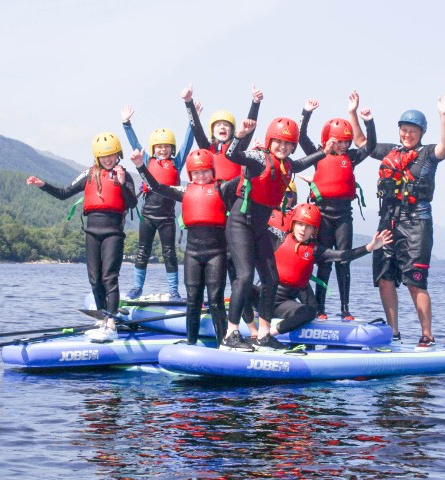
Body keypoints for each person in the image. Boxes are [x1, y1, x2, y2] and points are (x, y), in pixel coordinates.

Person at [221, 117, 337, 351]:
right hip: (240, 223)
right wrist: (240, 136)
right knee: (244, 277)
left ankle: (264, 334)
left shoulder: (287, 165)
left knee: (271, 279)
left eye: (288, 143)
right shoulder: (258, 158)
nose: (282, 147)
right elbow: (233, 156)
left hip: (259, 228)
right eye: (278, 142)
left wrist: (324, 152)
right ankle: (230, 334)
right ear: (270, 141)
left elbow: (302, 163)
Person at [26, 132, 138, 340]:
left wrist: (122, 183)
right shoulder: (88, 174)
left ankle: (112, 321)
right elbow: (63, 193)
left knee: (109, 277)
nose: (108, 159)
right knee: (94, 279)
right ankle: (102, 317)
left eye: (112, 155)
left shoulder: (124, 174)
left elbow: (132, 203)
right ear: (97, 157)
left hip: (113, 233)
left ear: (118, 154)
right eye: (104, 156)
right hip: (92, 232)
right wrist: (43, 185)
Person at [368, 90, 445, 349]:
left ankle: (427, 334)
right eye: (403, 130)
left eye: (412, 131)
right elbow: (363, 143)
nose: (407, 134)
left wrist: (443, 115)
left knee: (415, 282)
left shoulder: (428, 154)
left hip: (417, 223)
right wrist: (355, 114)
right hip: (389, 221)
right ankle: (393, 332)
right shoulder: (389, 151)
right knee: (384, 277)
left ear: (421, 133)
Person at [129, 148, 239, 346]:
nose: (201, 175)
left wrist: (252, 154)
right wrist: (140, 166)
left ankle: (224, 341)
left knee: (215, 299)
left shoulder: (222, 189)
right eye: (196, 172)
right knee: (192, 299)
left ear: (213, 171)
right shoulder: (185, 190)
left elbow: (244, 177)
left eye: (205, 171)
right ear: (190, 175)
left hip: (217, 253)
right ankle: (191, 342)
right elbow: (156, 186)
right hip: (193, 253)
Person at [180, 83, 263, 338]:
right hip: (213, 217)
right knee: (223, 276)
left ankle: (249, 327)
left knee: (238, 275)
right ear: (213, 131)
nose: (223, 128)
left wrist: (255, 103)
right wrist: (189, 104)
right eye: (218, 126)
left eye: (227, 125)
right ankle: (234, 328)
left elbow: (248, 128)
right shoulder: (207, 150)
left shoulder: (238, 149)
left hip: (234, 214)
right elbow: (196, 130)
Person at [250, 203, 392, 350]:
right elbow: (255, 226)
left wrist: (370, 247)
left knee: (310, 311)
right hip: (263, 299)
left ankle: (269, 334)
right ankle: (250, 331)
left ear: (314, 230)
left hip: (284, 304)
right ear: (293, 224)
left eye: (308, 226)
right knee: (243, 286)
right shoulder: (279, 238)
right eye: (299, 224)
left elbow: (343, 255)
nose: (303, 229)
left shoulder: (316, 250)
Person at [297, 91, 377, 321]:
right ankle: (320, 308)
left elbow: (370, 145)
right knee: (323, 262)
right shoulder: (317, 154)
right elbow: (301, 135)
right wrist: (307, 112)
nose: (342, 145)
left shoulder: (350, 157)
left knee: (343, 260)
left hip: (344, 216)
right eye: (337, 140)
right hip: (321, 215)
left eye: (345, 141)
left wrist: (368, 121)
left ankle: (345, 309)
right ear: (327, 140)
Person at [121, 105, 195, 301]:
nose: (163, 150)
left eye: (166, 147)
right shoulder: (146, 160)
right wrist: (126, 124)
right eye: (159, 147)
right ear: (153, 149)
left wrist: (192, 120)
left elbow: (188, 143)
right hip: (148, 216)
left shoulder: (177, 163)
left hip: (167, 218)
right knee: (142, 252)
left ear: (171, 148)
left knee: (169, 254)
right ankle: (136, 288)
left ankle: (174, 291)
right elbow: (134, 143)